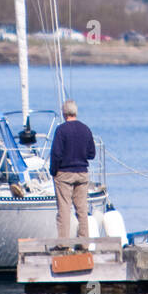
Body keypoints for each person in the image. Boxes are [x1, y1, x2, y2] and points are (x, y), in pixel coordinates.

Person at [50, 100, 96, 240]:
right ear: (75, 112)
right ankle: (84, 242)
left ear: (64, 113)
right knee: (82, 210)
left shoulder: (61, 130)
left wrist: (53, 171)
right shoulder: (85, 129)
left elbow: (56, 154)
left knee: (64, 209)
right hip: (82, 173)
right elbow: (92, 154)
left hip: (64, 174)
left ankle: (63, 243)